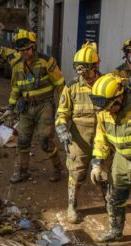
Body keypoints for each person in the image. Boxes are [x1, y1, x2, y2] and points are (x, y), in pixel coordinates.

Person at [4, 29, 65, 183]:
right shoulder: (17, 66)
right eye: (21, 50)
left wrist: (65, 109)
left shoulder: (47, 62)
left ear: (33, 47)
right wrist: (9, 109)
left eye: (27, 49)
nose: (25, 53)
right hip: (26, 108)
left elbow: (61, 86)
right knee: (22, 140)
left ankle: (58, 168)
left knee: (45, 140)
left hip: (45, 105)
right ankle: (22, 171)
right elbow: (16, 89)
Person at [55, 42, 104, 223]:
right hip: (78, 138)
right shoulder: (72, 87)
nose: (81, 74)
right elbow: (62, 112)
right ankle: (72, 205)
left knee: (105, 174)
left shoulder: (105, 84)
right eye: (78, 70)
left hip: (103, 137)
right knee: (76, 173)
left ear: (95, 66)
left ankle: (109, 202)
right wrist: (62, 130)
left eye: (85, 70)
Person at [89, 73, 131, 242]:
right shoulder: (104, 109)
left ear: (119, 98)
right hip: (122, 157)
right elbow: (101, 136)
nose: (106, 112)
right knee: (114, 197)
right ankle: (116, 230)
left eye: (109, 107)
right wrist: (97, 162)